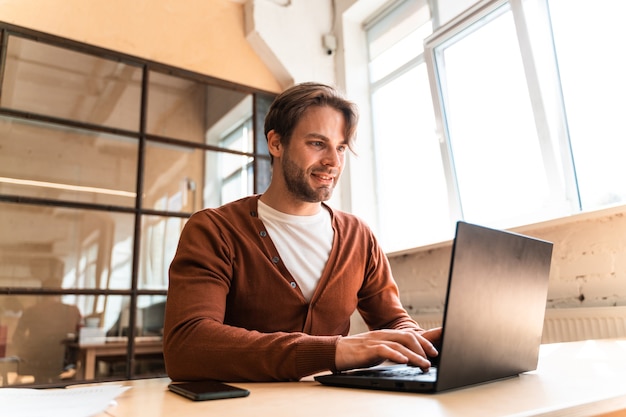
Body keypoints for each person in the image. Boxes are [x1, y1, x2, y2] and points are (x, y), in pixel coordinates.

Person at [163, 82, 441, 382]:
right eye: (317, 143)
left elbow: (393, 320)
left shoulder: (358, 235)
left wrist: (422, 341)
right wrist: (334, 351)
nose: (333, 162)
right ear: (276, 144)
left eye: (341, 147)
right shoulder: (214, 230)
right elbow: (187, 346)